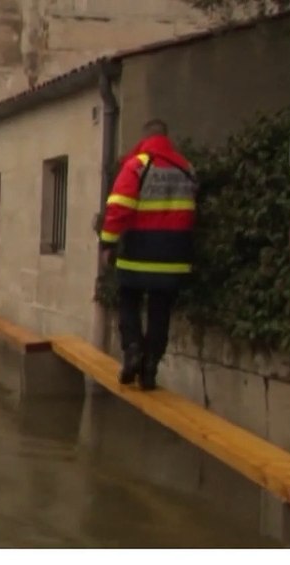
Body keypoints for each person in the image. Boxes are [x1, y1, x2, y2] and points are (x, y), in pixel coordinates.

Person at [99, 119, 197, 391]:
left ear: (145, 139)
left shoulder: (137, 165)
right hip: (175, 254)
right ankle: (150, 367)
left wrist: (107, 244)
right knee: (160, 309)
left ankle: (133, 350)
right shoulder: (186, 168)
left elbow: (118, 208)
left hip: (139, 250)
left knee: (128, 298)